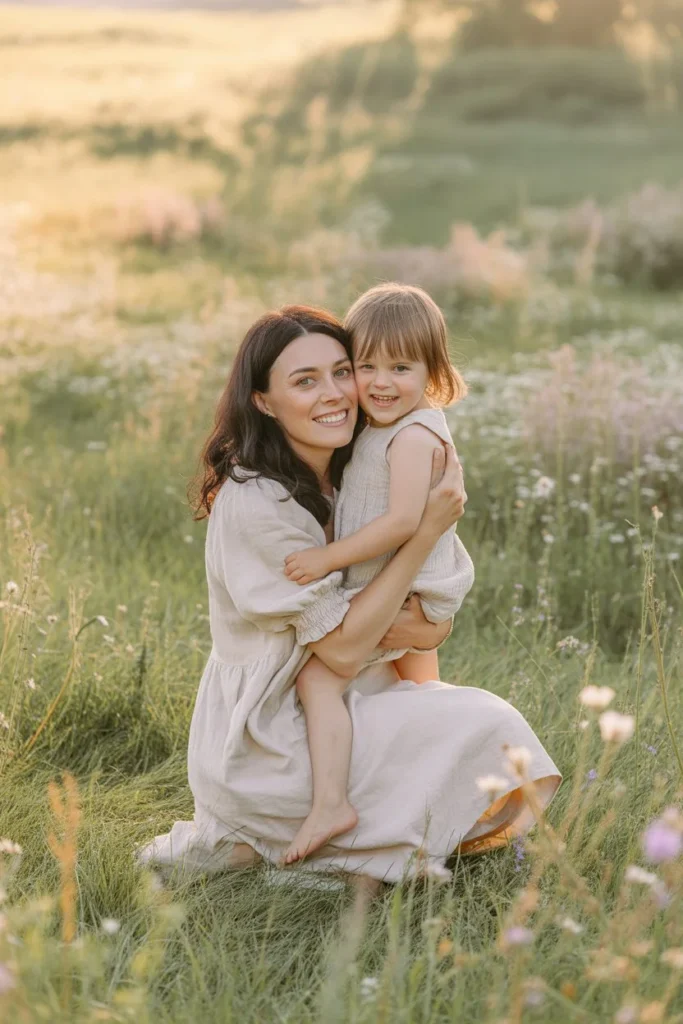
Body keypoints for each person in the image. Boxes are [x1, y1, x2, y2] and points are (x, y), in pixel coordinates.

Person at [138, 305, 560, 886]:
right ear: (263, 401)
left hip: (343, 703)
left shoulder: (355, 469)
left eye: (341, 371)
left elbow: (414, 625)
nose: (336, 393)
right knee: (485, 722)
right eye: (305, 381)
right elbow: (339, 652)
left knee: (479, 729)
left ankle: (304, 848)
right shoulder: (256, 503)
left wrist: (431, 627)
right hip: (270, 738)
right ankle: (284, 840)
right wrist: (425, 532)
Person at [282, 284, 475, 865]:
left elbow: (400, 524)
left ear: (433, 370)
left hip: (409, 588)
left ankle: (330, 805)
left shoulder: (414, 435)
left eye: (401, 366)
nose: (382, 382)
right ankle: (434, 810)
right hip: (408, 587)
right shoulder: (383, 427)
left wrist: (326, 559)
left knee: (317, 682)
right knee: (418, 700)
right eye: (366, 366)